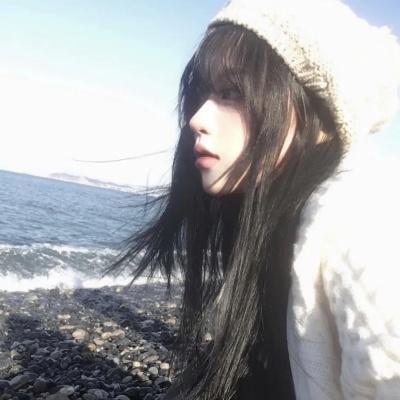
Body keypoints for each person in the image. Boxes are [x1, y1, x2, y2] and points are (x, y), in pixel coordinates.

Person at [110, 0, 400, 398]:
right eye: (203, 92)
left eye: (232, 92)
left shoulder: (357, 222)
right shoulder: (261, 212)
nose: (196, 119)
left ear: (319, 116)